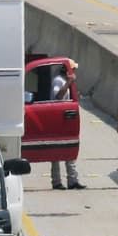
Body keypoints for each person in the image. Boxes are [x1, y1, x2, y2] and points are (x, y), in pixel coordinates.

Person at [49, 60, 86, 190]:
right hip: (58, 118)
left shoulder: (64, 80)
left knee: (69, 147)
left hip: (66, 118)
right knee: (56, 151)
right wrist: (69, 82)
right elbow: (58, 96)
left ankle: (72, 180)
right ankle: (56, 181)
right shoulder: (59, 81)